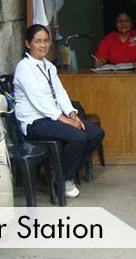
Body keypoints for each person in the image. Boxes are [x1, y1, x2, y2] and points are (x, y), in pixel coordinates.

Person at [14, 24, 105, 198]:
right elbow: (38, 100)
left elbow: (60, 92)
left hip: (54, 118)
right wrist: (64, 119)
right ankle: (65, 179)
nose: (43, 45)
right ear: (28, 44)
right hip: (36, 122)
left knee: (95, 133)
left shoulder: (49, 66)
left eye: (46, 41)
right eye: (38, 41)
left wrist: (72, 113)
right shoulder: (24, 68)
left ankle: (61, 170)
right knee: (78, 136)